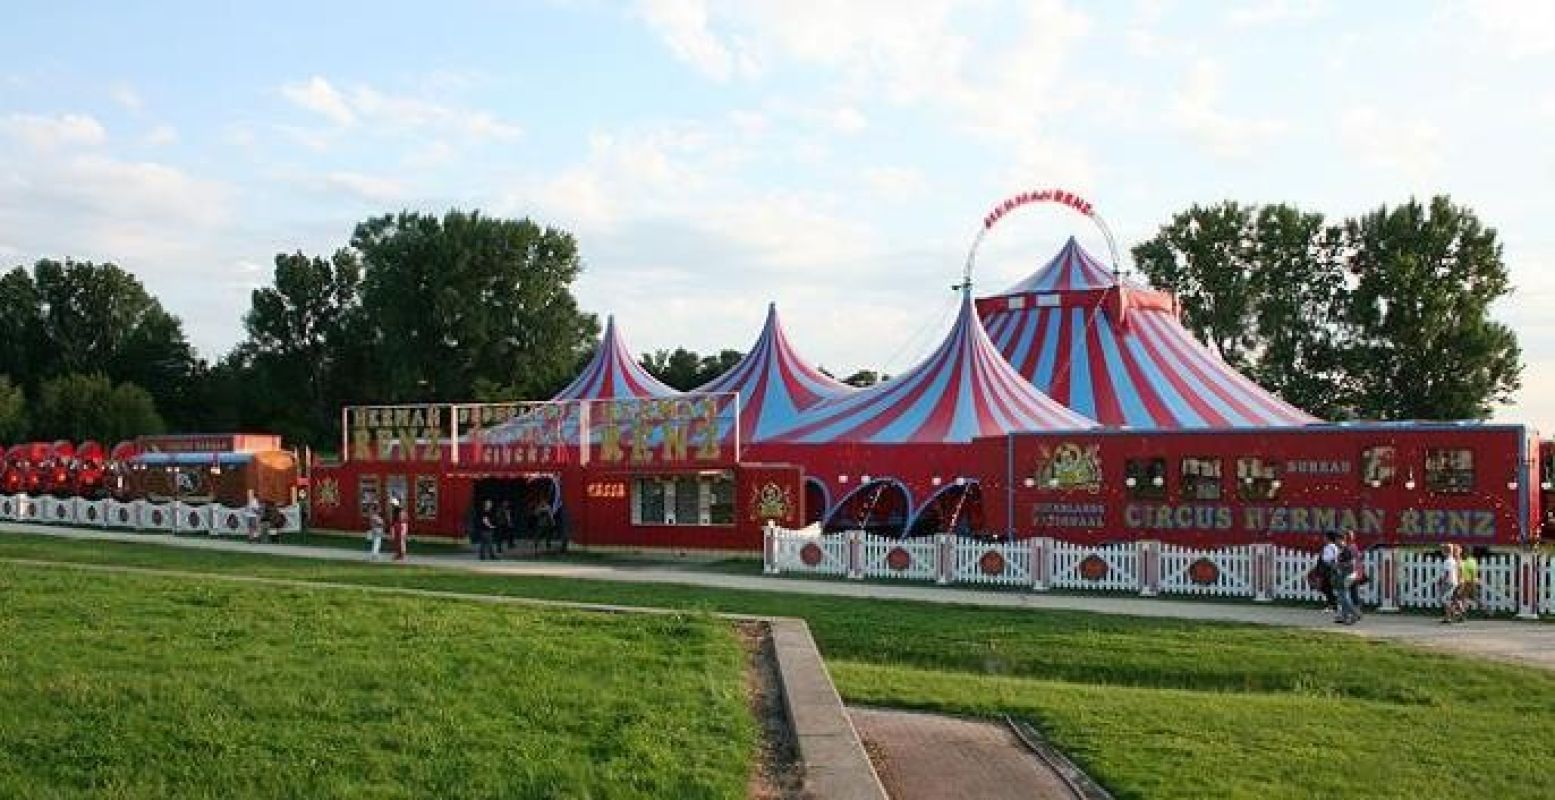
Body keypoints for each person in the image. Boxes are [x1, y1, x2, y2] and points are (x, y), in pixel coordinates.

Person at [1334, 530, 1362, 624]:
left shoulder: (1347, 549)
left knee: (1344, 597)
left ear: (1342, 539)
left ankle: (1355, 614)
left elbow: (1351, 563)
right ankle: (1345, 616)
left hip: (1347, 575)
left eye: (1337, 540)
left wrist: (1339, 565)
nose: (1336, 542)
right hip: (1345, 575)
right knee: (1342, 596)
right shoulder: (1342, 549)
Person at [1316, 531, 1340, 612]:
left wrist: (1322, 556)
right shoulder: (1334, 547)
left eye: (1325, 537)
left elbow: (1327, 558)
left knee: (1326, 587)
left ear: (1329, 538)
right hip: (1332, 569)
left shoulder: (1329, 547)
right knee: (1327, 587)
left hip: (1328, 569)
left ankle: (1332, 605)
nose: (1324, 538)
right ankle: (1333, 605)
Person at [1439, 543, 1462, 623]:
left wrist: (1442, 581)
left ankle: (1450, 616)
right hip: (1453, 582)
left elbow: (1447, 573)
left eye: (1442, 550)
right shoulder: (1453, 560)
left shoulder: (1447, 561)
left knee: (1445, 600)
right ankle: (1458, 615)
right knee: (1452, 599)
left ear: (1445, 551)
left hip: (1449, 582)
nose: (1441, 552)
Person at [1458, 546, 1481, 618]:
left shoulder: (1470, 561)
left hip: (1469, 582)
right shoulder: (1469, 560)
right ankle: (1463, 613)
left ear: (1468, 553)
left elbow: (1473, 573)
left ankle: (1463, 613)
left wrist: (1472, 583)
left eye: (1464, 552)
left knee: (1464, 597)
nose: (1463, 554)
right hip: (1467, 581)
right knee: (1465, 598)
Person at [390, 497, 409, 562]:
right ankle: (398, 554)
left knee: (401, 540)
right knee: (397, 541)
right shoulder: (396, 510)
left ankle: (401, 555)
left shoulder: (401, 510)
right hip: (397, 525)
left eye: (393, 504)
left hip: (401, 525)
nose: (392, 505)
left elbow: (404, 519)